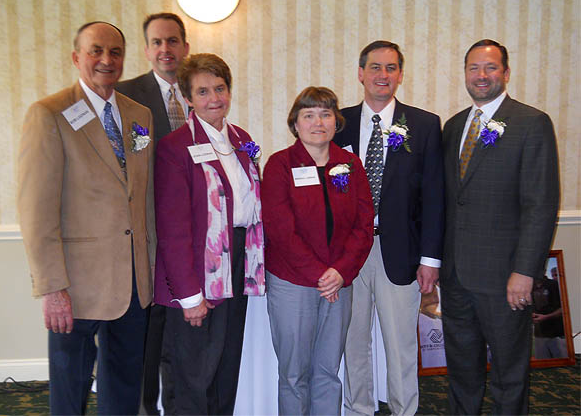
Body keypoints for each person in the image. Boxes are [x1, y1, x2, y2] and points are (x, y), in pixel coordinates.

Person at [17, 21, 155, 414]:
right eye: (96, 51)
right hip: (74, 286)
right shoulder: (49, 114)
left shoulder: (139, 114)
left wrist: (151, 270)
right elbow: (36, 209)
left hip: (132, 282)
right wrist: (51, 287)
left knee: (125, 386)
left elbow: (142, 198)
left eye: (115, 52)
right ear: (77, 57)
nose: (106, 60)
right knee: (70, 389)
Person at [441, 39, 559, 414]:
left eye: (490, 67)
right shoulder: (455, 125)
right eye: (474, 67)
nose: (481, 75)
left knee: (510, 373)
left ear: (506, 73)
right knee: (461, 369)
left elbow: (540, 206)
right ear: (465, 73)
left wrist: (525, 272)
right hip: (457, 275)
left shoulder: (531, 123)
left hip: (504, 276)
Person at [333, 40, 444, 415]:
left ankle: (404, 410)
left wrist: (430, 259)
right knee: (353, 342)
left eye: (391, 68)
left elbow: (434, 196)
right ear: (361, 73)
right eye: (375, 67)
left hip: (401, 252)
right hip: (349, 254)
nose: (383, 75)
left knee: (401, 346)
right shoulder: (337, 122)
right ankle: (359, 409)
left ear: (400, 74)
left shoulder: (425, 125)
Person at [153, 53, 265, 415]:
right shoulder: (175, 148)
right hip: (197, 272)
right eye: (202, 92)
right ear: (187, 98)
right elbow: (173, 230)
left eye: (220, 88)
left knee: (224, 367)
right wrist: (189, 296)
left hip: (236, 264)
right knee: (191, 374)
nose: (214, 98)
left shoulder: (241, 139)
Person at [261, 86, 373, 415]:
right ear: (295, 123)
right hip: (293, 282)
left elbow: (364, 225)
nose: (318, 122)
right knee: (294, 374)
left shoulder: (350, 164)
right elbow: (281, 229)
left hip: (339, 282)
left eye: (325, 114)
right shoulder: (280, 165)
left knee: (328, 372)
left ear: (336, 122)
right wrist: (320, 274)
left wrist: (339, 272)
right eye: (308, 115)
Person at [116, 11, 190, 415]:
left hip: (189, 239)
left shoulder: (200, 92)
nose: (166, 50)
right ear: (146, 50)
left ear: (185, 47)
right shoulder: (125, 96)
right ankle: (145, 409)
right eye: (158, 42)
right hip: (144, 237)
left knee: (179, 337)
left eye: (173, 41)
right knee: (145, 337)